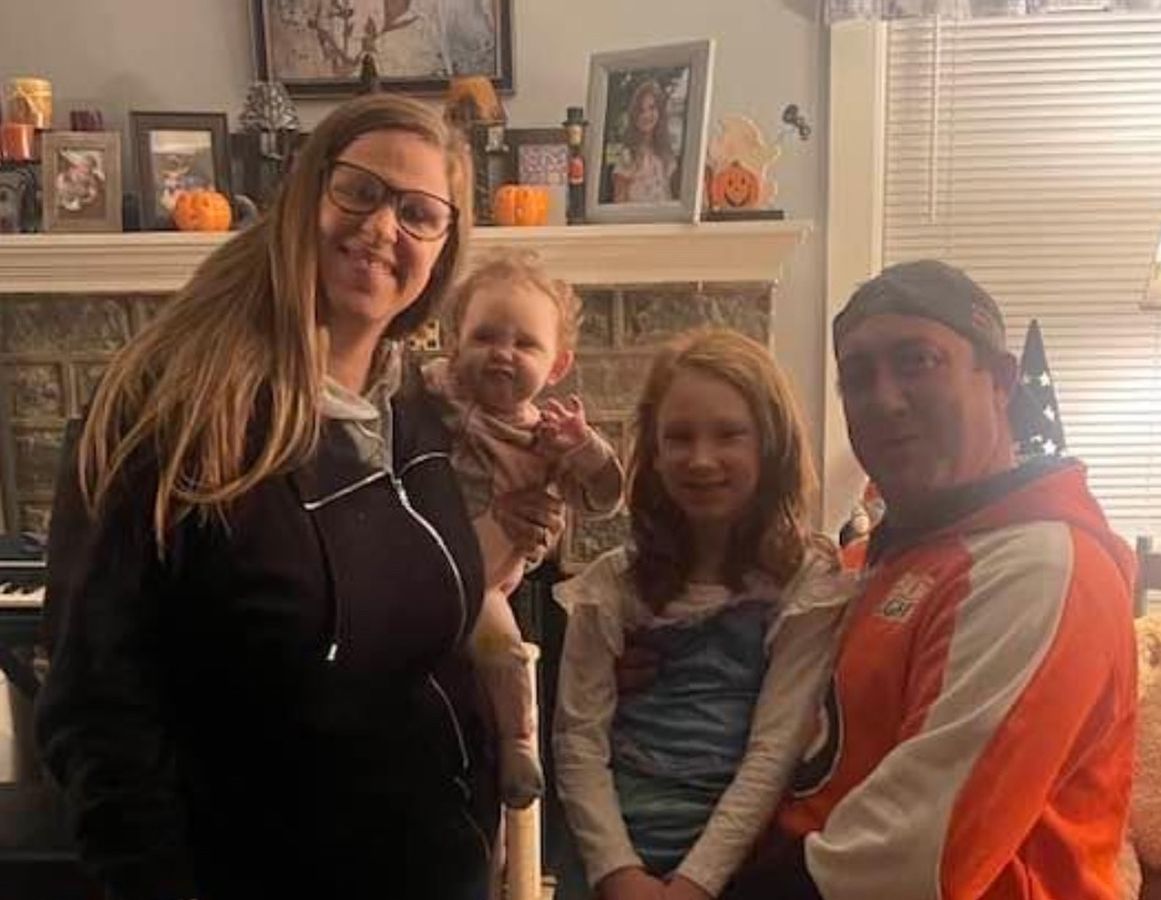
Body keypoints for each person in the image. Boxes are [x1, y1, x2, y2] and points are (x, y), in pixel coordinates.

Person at [34, 93, 563, 900]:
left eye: (419, 214)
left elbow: (418, 624)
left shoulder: (417, 414)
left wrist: (511, 528)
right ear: (305, 196)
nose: (382, 227)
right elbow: (97, 713)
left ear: (443, 253)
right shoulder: (165, 415)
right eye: (359, 190)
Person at [727, 259, 1138, 899]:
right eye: (857, 377)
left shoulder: (1040, 570)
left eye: (917, 362)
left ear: (1001, 380)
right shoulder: (872, 561)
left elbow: (914, 862)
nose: (884, 401)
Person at [553, 329, 850, 900]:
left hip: (736, 865)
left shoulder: (808, 584)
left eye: (729, 434)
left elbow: (774, 751)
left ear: (771, 445)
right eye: (679, 437)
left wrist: (695, 884)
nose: (701, 459)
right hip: (608, 862)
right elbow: (578, 739)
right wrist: (617, 872)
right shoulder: (611, 584)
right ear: (654, 452)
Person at [422, 249, 624, 809]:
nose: (502, 354)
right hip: (429, 570)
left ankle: (518, 742)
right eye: (485, 336)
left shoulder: (548, 438)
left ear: (558, 367)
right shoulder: (435, 397)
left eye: (526, 344)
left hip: (488, 586)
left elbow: (604, 499)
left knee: (506, 652)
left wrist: (585, 448)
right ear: (454, 342)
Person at [610, 79, 677, 204]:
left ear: (660, 112)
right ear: (634, 115)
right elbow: (619, 203)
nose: (646, 115)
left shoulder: (665, 153)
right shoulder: (627, 155)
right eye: (641, 110)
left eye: (652, 108)